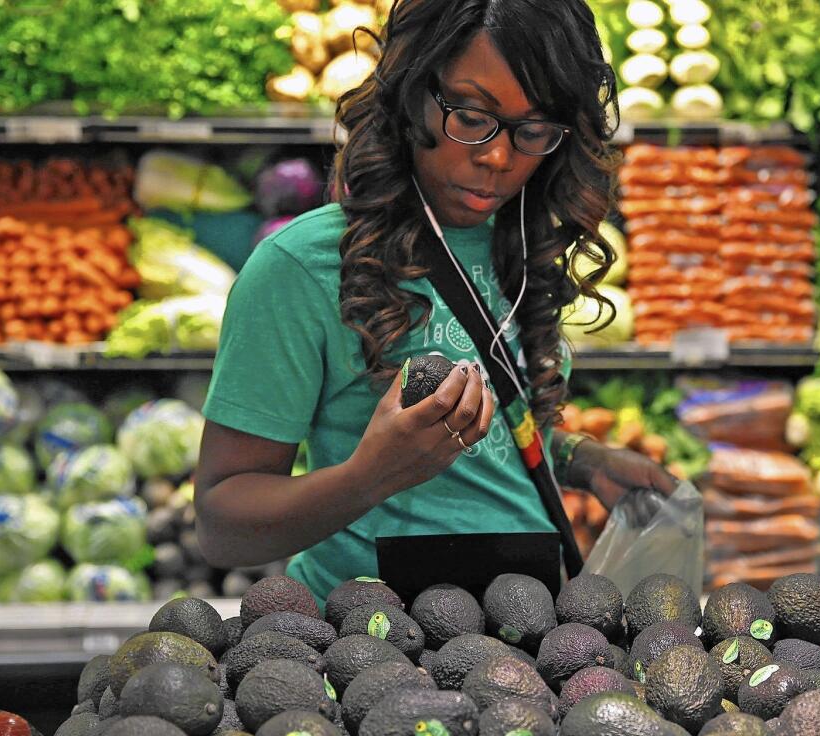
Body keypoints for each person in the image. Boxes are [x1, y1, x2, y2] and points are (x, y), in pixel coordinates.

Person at [195, 0, 674, 605]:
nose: (498, 157)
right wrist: (367, 478)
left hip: (523, 644)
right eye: (472, 116)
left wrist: (578, 459)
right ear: (412, 91)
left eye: (533, 130)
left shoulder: (524, 243)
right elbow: (221, 526)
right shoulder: (304, 266)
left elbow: (482, 436)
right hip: (367, 649)